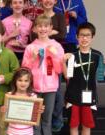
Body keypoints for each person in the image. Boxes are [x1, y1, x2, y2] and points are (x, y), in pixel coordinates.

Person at [22, 14, 64, 135]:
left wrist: (54, 55)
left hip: (50, 88)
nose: (43, 29)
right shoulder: (30, 47)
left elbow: (60, 70)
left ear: (51, 28)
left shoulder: (57, 46)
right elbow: (24, 70)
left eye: (46, 26)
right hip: (34, 87)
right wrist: (33, 58)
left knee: (47, 119)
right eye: (39, 26)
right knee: (34, 119)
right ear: (34, 29)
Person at [63, 22, 105, 135]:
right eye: (81, 35)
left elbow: (101, 77)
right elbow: (67, 76)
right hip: (73, 97)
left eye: (87, 35)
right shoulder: (72, 55)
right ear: (77, 37)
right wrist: (63, 61)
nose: (84, 38)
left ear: (92, 37)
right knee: (74, 126)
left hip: (90, 97)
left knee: (87, 126)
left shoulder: (98, 56)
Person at [42, 0, 66, 132]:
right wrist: (53, 32)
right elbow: (33, 35)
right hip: (40, 60)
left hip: (55, 57)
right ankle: (42, 121)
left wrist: (48, 34)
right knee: (42, 92)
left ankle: (57, 120)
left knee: (56, 92)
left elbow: (63, 34)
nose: (48, 1)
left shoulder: (60, 16)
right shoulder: (39, 17)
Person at [1, 67, 45, 135]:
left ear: (30, 82)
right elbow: (5, 114)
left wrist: (39, 111)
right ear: (15, 81)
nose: (23, 83)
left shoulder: (33, 97)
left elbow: (35, 115)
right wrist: (3, 110)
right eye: (20, 80)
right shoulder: (9, 96)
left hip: (28, 132)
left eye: (26, 80)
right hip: (12, 132)